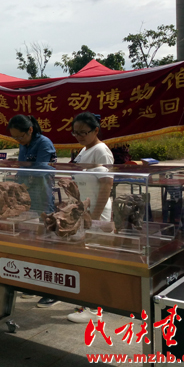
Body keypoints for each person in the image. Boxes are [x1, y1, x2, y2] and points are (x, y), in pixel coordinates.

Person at [67, 112, 114, 324]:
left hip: (97, 210)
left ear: (96, 130)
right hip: (85, 209)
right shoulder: (84, 150)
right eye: (75, 133)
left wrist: (94, 217)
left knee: (97, 256)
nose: (79, 136)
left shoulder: (101, 151)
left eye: (83, 133)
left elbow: (106, 185)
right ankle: (88, 301)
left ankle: (96, 307)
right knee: (87, 255)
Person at [9, 114, 59, 309]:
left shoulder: (44, 143)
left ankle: (52, 291)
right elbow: (22, 169)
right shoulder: (24, 144)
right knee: (32, 242)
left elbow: (40, 171)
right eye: (15, 138)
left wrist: (23, 184)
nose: (19, 141)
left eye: (20, 137)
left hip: (43, 198)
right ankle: (35, 283)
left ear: (30, 130)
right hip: (27, 200)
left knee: (47, 243)